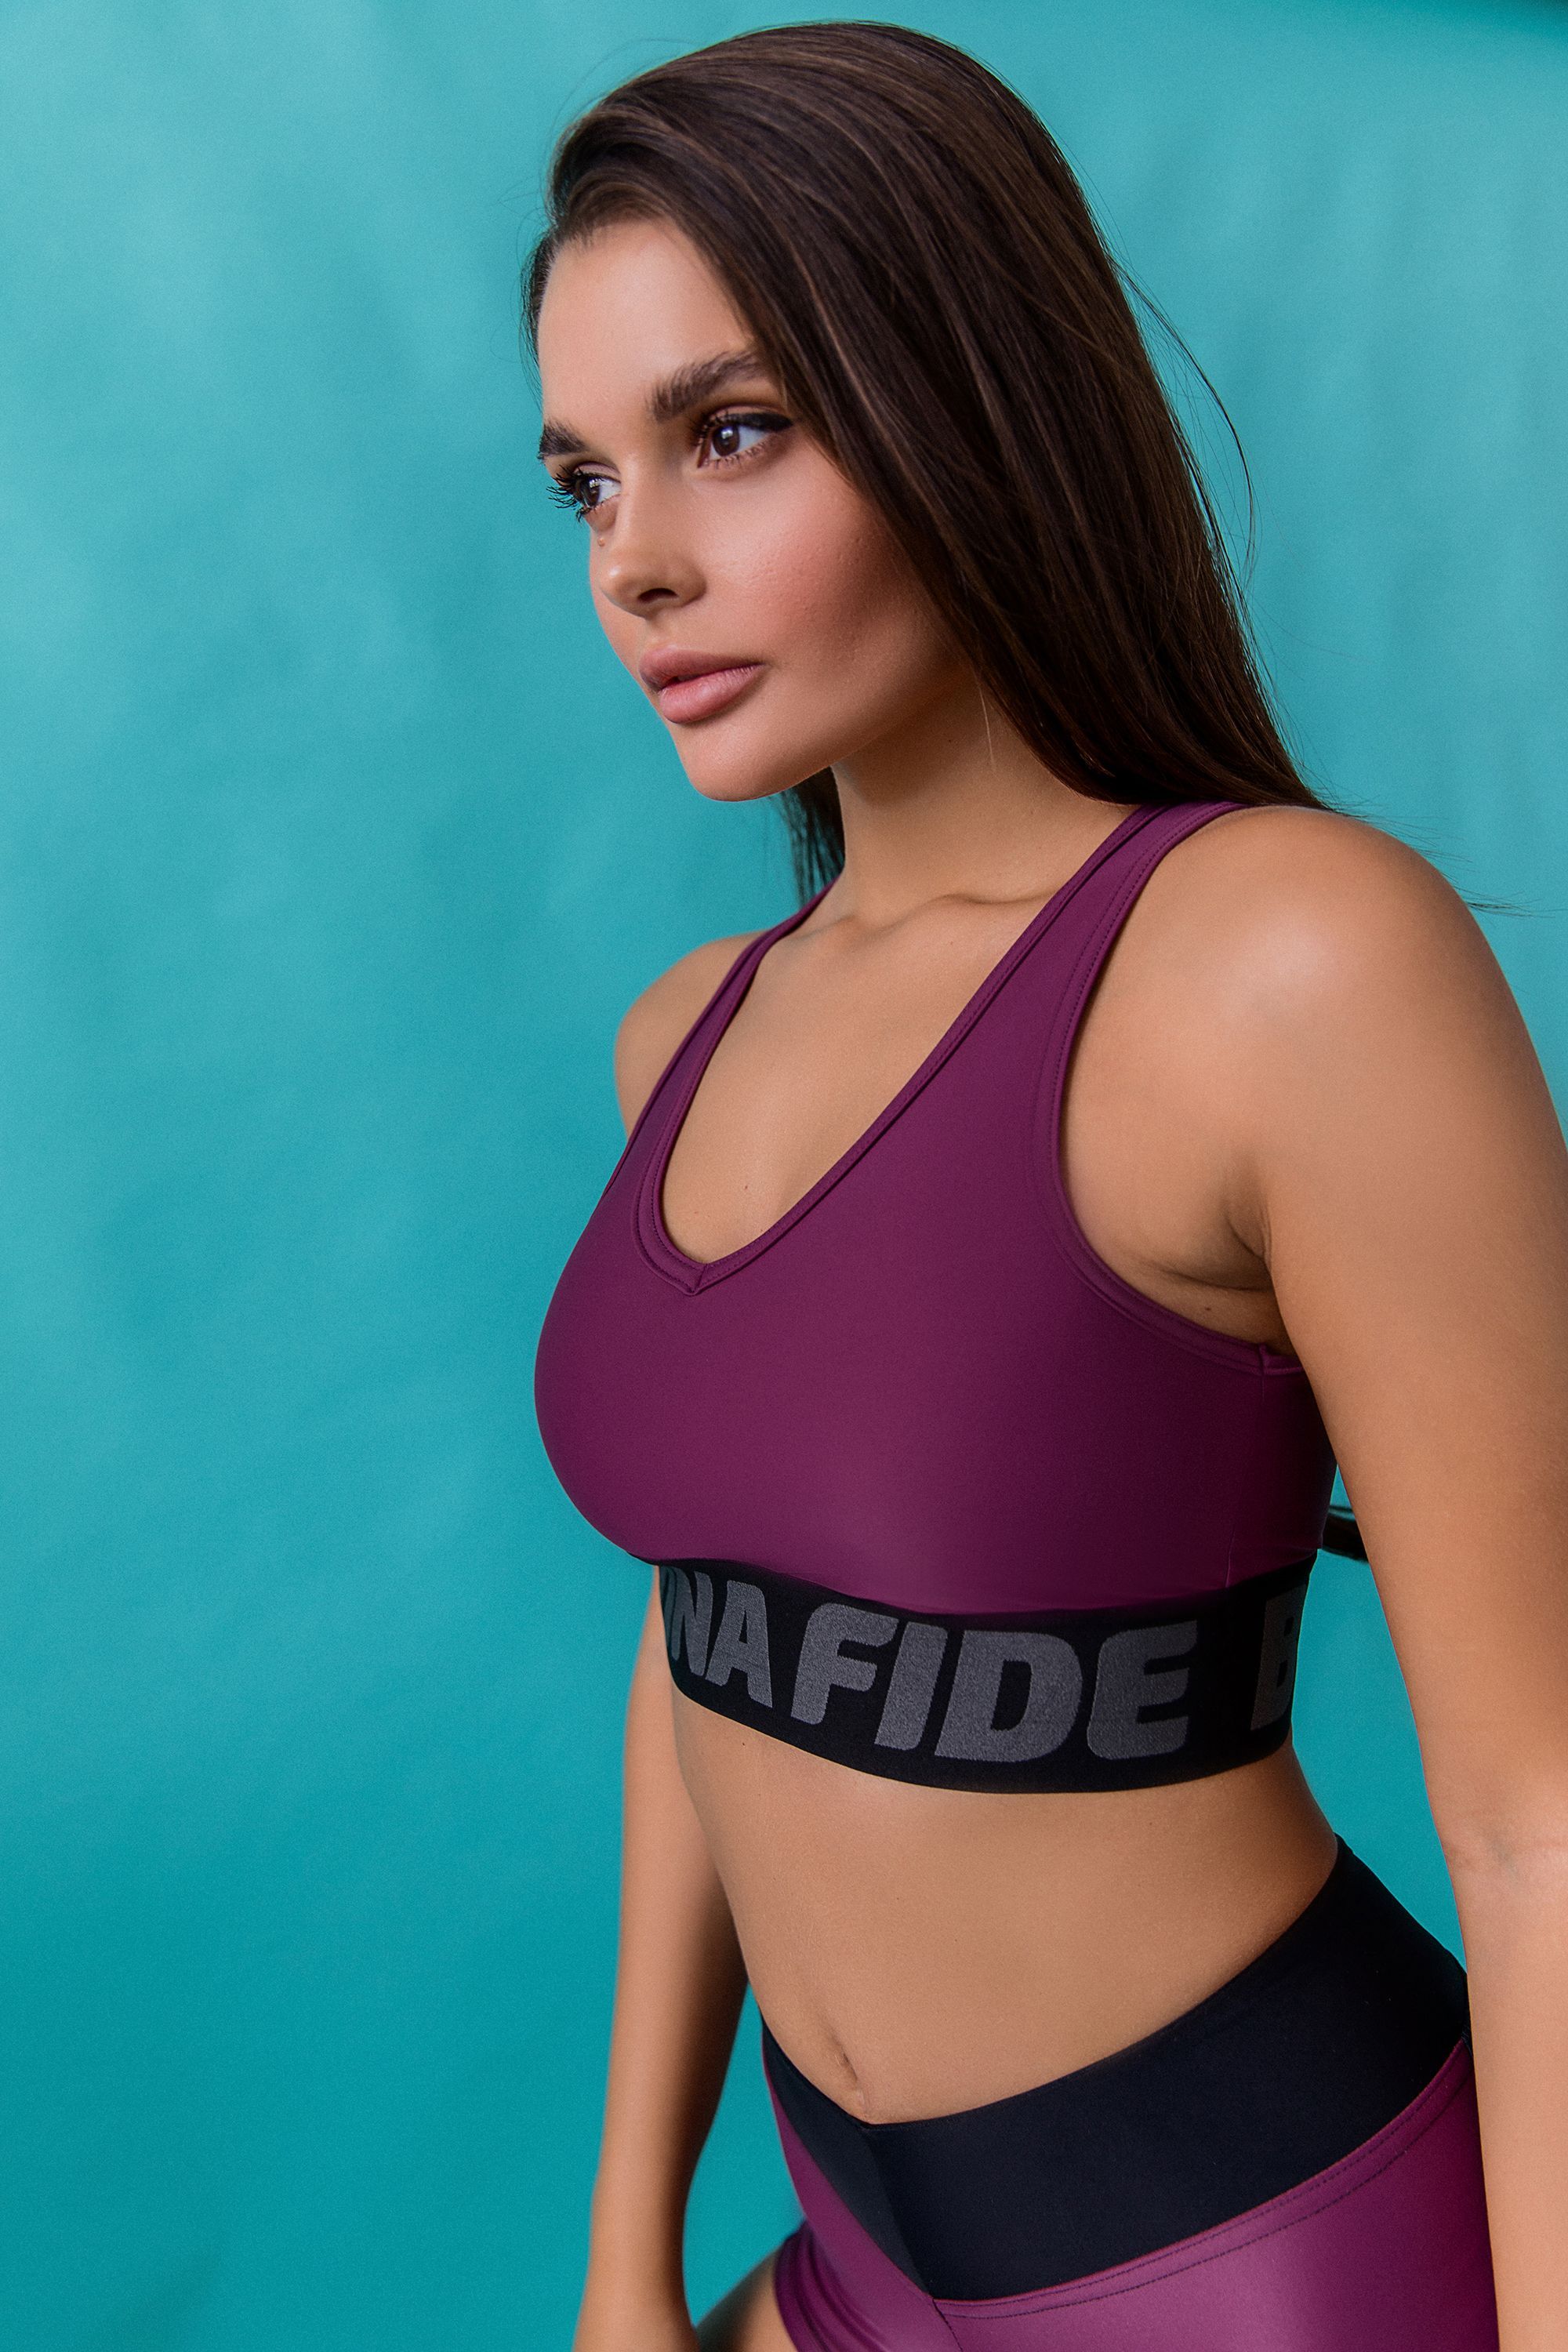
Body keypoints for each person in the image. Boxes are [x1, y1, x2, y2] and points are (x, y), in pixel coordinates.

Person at [527, 23, 1568, 2350]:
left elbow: (1547, 1824)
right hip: (851, 2257)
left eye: (730, 433)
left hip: (1262, 2263)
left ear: (963, 398)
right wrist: (620, 2266)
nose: (639, 566)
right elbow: (714, 1641)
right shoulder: (685, 1041)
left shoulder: (1288, 964)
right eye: (585, 483)